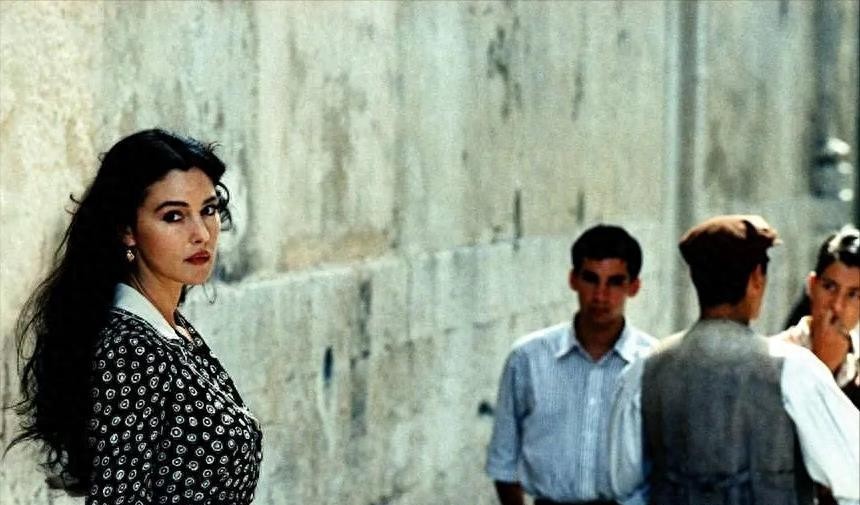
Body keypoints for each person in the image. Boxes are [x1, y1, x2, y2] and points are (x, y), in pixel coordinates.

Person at [9, 129, 263, 504]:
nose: (201, 234)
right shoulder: (131, 349)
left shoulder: (168, 328)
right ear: (126, 230)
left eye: (208, 210)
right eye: (174, 216)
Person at [607, 215, 860, 505]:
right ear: (756, 278)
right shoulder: (792, 369)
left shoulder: (644, 369)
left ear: (695, 279)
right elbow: (854, 476)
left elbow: (623, 486)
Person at [486, 224, 656, 505]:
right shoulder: (528, 359)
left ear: (634, 287)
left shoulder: (653, 365)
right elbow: (503, 461)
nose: (600, 296)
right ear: (573, 279)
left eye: (615, 282)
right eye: (591, 279)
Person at [774, 225, 860, 406]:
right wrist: (822, 366)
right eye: (829, 287)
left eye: (853, 294)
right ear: (812, 285)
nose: (837, 305)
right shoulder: (774, 356)